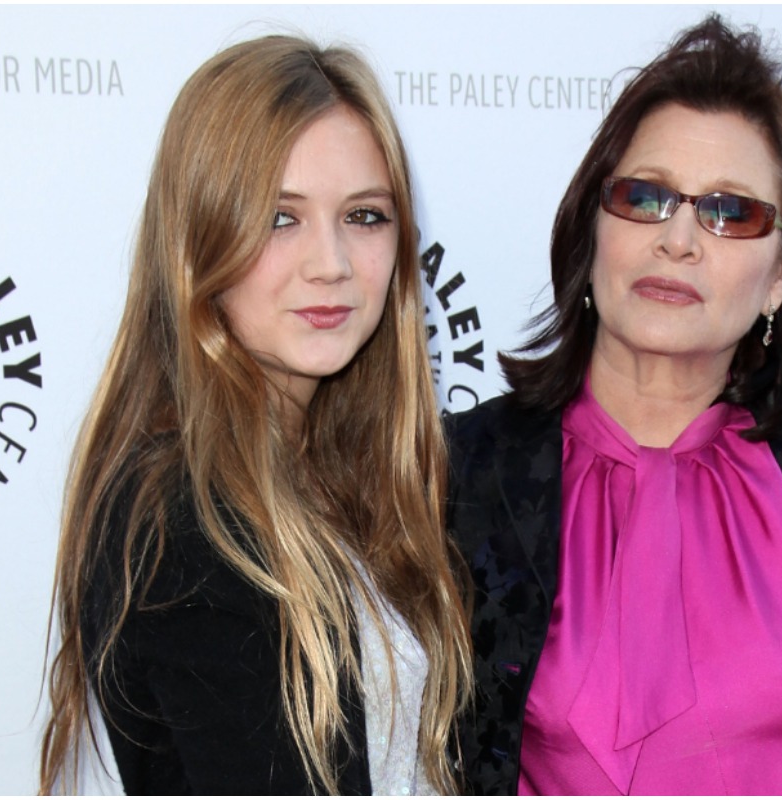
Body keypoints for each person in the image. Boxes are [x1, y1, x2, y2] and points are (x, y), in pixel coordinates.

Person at [447, 14, 782, 796]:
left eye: (731, 212)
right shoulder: (457, 476)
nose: (679, 238)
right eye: (644, 196)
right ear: (594, 224)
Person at [38, 35, 470, 795]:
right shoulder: (186, 518)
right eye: (279, 218)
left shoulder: (321, 476)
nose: (331, 263)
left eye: (365, 216)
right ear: (198, 236)